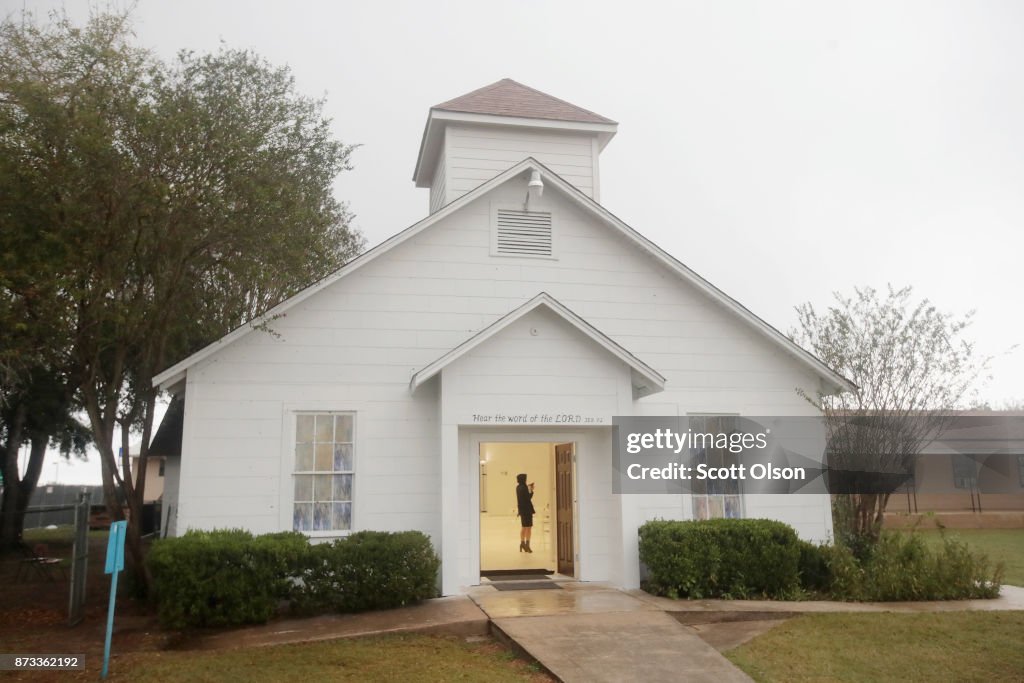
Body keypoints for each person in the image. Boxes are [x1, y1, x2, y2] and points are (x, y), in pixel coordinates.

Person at [515, 473, 536, 553]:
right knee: (529, 528)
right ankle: (527, 545)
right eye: (525, 478)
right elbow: (528, 498)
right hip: (527, 510)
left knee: (524, 527)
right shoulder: (524, 488)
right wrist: (531, 490)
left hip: (522, 510)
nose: (526, 480)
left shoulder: (518, 487)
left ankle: (522, 544)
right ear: (524, 479)